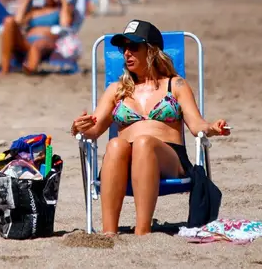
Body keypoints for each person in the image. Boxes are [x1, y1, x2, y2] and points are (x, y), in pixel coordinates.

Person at [70, 20, 229, 236]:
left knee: (143, 143)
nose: (127, 53)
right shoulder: (116, 90)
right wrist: (78, 128)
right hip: (125, 160)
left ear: (152, 51)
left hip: (169, 159)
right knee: (115, 144)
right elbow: (93, 131)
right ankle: (108, 233)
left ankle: (142, 231)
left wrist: (212, 127)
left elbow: (196, 126)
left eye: (134, 47)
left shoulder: (175, 84)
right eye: (124, 48)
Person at [0, 0, 73, 74]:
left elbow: (65, 24)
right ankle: (5, 69)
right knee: (9, 21)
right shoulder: (35, 10)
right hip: (27, 42)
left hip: (47, 42)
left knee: (38, 45)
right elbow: (18, 21)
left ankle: (30, 68)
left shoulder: (60, 10)